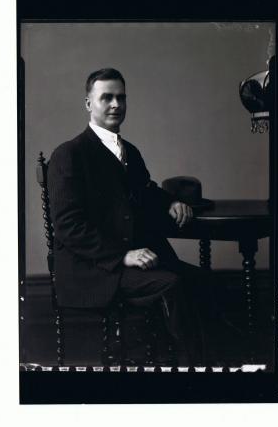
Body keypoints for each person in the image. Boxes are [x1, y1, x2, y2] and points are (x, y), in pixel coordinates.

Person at [47, 67, 204, 365]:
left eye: (121, 98)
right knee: (172, 284)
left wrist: (171, 201)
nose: (116, 105)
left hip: (128, 261)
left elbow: (145, 192)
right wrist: (123, 255)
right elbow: (68, 226)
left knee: (200, 280)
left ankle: (206, 362)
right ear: (88, 104)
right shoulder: (69, 154)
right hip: (92, 269)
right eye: (106, 97)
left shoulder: (129, 151)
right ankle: (190, 368)